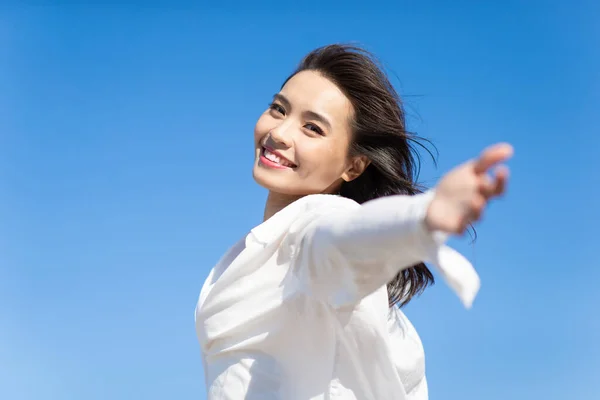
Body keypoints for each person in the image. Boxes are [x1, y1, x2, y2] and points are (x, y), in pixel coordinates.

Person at [195, 44, 513, 399]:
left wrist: (422, 216)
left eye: (312, 128)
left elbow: (343, 239)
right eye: (278, 109)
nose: (280, 133)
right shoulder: (255, 248)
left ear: (354, 166)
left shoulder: (316, 227)